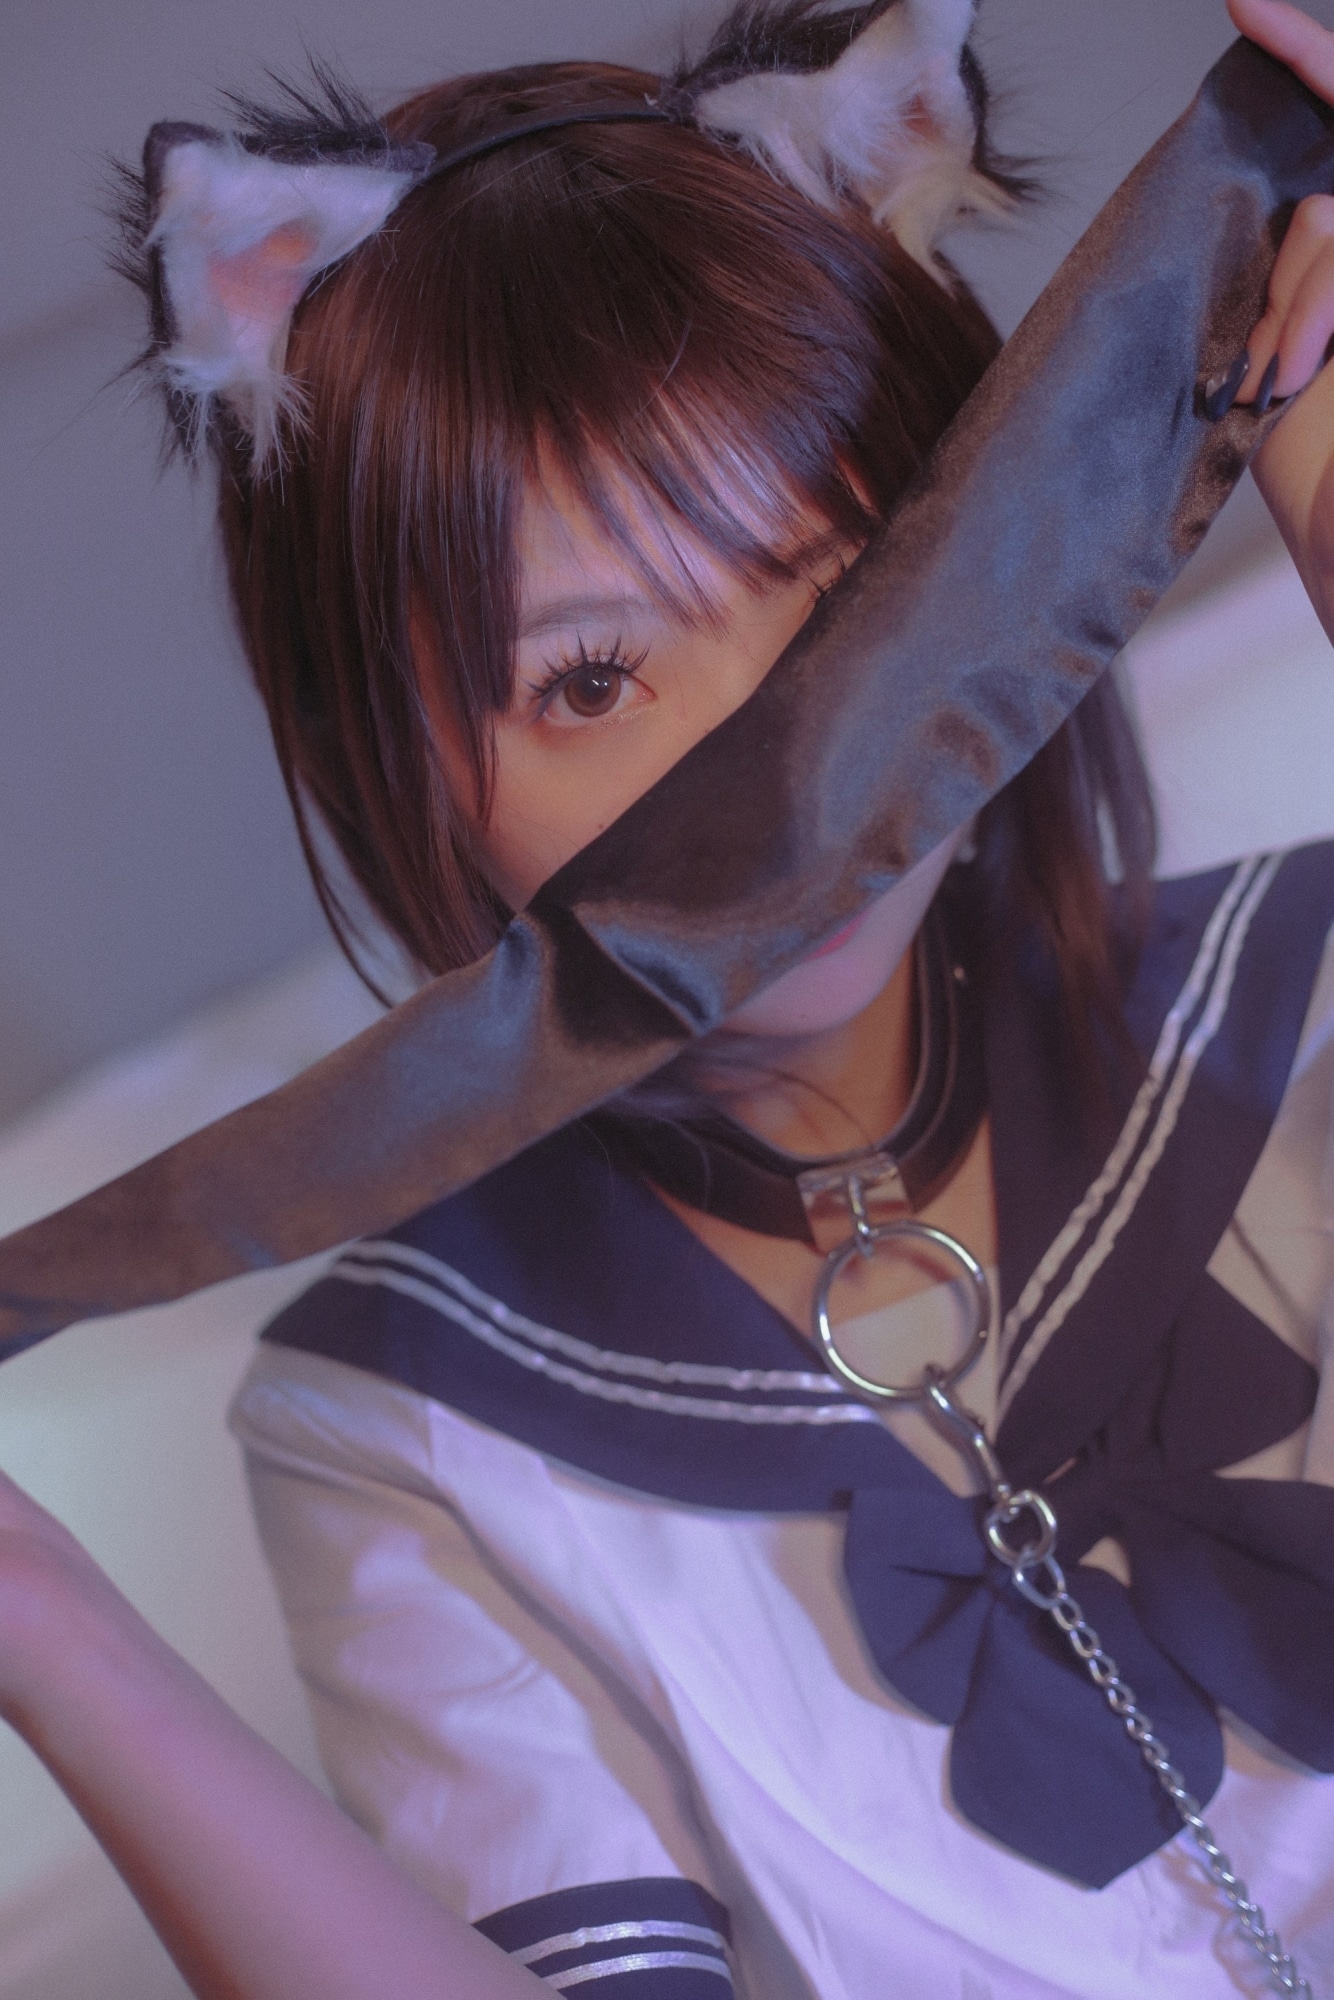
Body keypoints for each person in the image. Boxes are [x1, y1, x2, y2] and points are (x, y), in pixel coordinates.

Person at [6, 0, 1334, 1995]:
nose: (759, 772)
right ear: (388, 758)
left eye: (840, 602)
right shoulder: (406, 1420)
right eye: (588, 679)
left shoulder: (1301, 1008)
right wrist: (47, 1631)